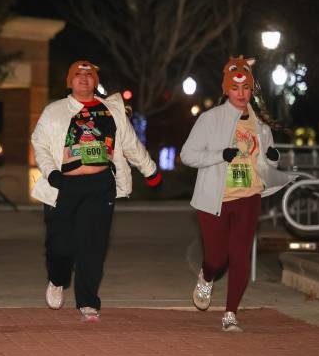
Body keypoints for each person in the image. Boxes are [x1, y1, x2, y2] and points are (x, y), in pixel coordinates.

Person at [31, 60, 162, 322]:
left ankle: (88, 302)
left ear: (95, 81)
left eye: (89, 74)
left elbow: (130, 144)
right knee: (61, 246)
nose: (83, 78)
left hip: (100, 185)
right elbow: (39, 143)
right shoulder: (54, 110)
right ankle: (57, 278)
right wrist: (52, 172)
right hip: (63, 186)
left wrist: (151, 171)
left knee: (93, 246)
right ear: (69, 81)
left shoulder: (110, 111)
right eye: (77, 74)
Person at [181, 55, 292, 332]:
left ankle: (230, 313)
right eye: (235, 88)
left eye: (245, 88)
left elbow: (266, 161)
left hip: (249, 197)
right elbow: (187, 155)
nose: (241, 94)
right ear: (226, 89)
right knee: (217, 259)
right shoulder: (210, 119)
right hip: (215, 199)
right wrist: (220, 155)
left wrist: (274, 158)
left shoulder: (261, 125)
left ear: (251, 90)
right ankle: (207, 276)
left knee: (240, 255)